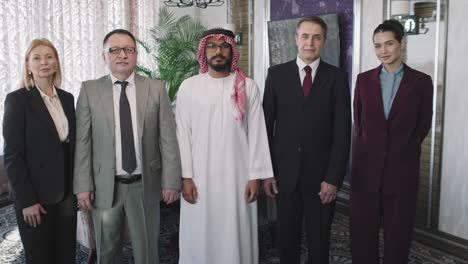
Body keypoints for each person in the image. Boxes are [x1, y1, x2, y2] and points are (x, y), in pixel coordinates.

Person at [73, 29, 181, 264]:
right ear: (104, 56)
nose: (122, 54)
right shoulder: (89, 90)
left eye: (128, 49)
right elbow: (83, 143)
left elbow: (168, 139)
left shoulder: (156, 88)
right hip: (104, 187)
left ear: (135, 55)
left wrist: (171, 180)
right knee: (107, 252)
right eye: (114, 49)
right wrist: (82, 185)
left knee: (147, 252)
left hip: (145, 184)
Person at [176, 28, 274, 264]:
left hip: (237, 177)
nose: (218, 51)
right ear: (204, 52)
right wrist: (185, 177)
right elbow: (182, 134)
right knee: (199, 234)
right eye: (212, 45)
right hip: (200, 178)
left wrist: (256, 176)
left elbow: (258, 133)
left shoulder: (247, 86)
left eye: (224, 45)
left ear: (232, 51)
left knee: (236, 234)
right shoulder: (188, 87)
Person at [263, 16, 351, 264]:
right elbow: (265, 129)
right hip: (284, 176)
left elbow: (342, 133)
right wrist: (267, 172)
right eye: (305, 36)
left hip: (322, 178)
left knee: (319, 241)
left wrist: (333, 179)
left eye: (316, 37)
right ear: (296, 39)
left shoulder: (337, 78)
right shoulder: (276, 75)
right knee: (286, 241)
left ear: (323, 41)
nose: (310, 42)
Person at [350, 19, 433, 263]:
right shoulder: (363, 80)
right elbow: (360, 123)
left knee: (398, 235)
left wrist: (400, 150)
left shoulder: (421, 82)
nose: (383, 51)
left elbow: (423, 126)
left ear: (401, 44)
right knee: (363, 233)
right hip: (366, 170)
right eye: (377, 46)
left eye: (389, 44)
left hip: (402, 169)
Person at [3, 38, 77, 263]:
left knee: (66, 254)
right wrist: (27, 201)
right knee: (41, 257)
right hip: (35, 196)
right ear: (28, 65)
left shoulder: (67, 98)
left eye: (49, 57)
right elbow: (13, 156)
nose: (44, 62)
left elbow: (71, 145)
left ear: (56, 63)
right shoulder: (17, 101)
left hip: (66, 192)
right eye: (37, 57)